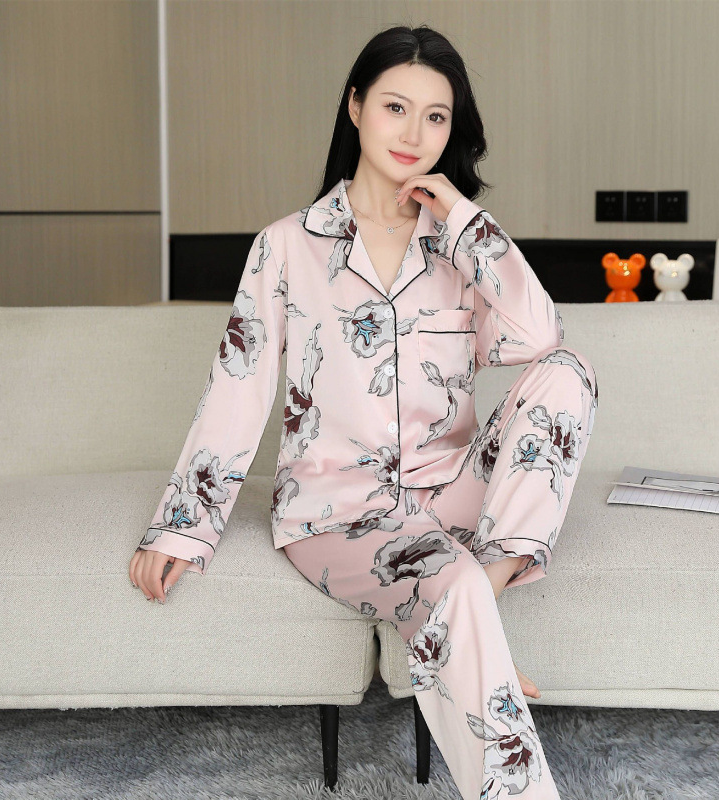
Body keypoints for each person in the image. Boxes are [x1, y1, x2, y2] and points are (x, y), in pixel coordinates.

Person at [129, 23, 598, 800]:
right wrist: (182, 526)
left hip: (451, 491)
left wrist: (466, 222)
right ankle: (470, 633)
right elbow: (238, 388)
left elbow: (537, 337)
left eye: (436, 117)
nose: (414, 134)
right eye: (395, 108)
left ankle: (478, 611)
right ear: (355, 108)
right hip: (339, 514)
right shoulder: (286, 248)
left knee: (568, 373)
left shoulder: (458, 247)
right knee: (447, 582)